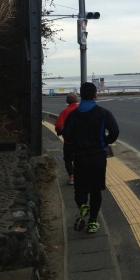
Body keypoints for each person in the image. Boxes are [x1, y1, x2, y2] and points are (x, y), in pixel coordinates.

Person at [62, 82, 119, 234]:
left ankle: (82, 206)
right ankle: (93, 222)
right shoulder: (103, 113)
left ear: (80, 95)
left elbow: (66, 134)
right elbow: (114, 131)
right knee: (95, 190)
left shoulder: (73, 115)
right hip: (98, 157)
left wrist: (74, 147)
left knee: (80, 189)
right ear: (95, 95)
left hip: (80, 156)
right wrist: (105, 142)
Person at [55, 92, 79, 185]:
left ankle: (71, 177)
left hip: (68, 141)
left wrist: (59, 131)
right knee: (80, 158)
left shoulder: (64, 112)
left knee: (68, 159)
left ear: (67, 101)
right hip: (81, 141)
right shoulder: (81, 110)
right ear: (77, 100)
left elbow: (59, 126)